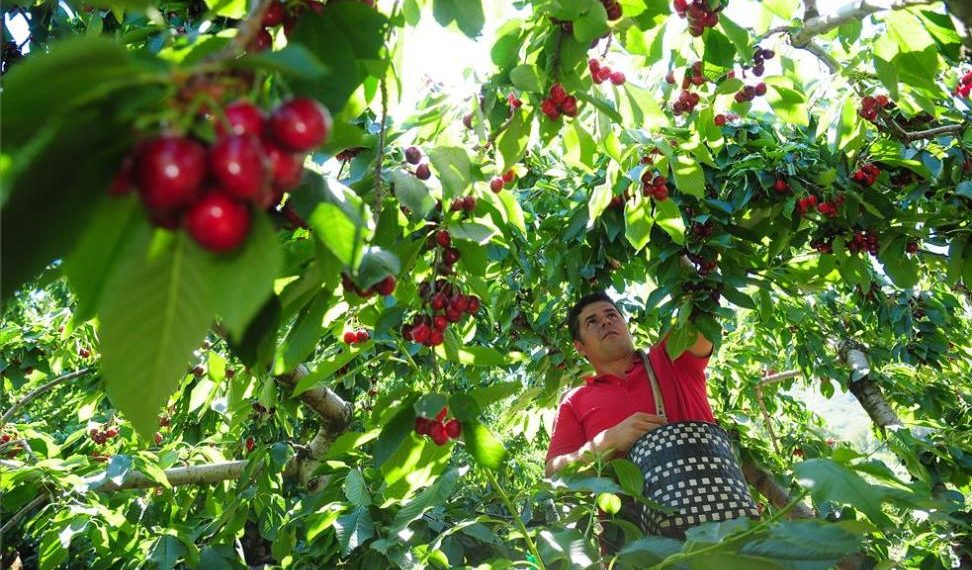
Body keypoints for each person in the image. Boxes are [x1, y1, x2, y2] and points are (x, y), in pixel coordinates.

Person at [544, 291, 716, 550]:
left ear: (625, 324)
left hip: (714, 516)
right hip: (634, 543)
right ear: (580, 347)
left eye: (612, 315)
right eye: (592, 321)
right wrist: (606, 442)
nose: (605, 322)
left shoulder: (671, 355)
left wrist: (685, 260)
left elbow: (702, 312)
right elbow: (553, 475)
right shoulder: (575, 400)